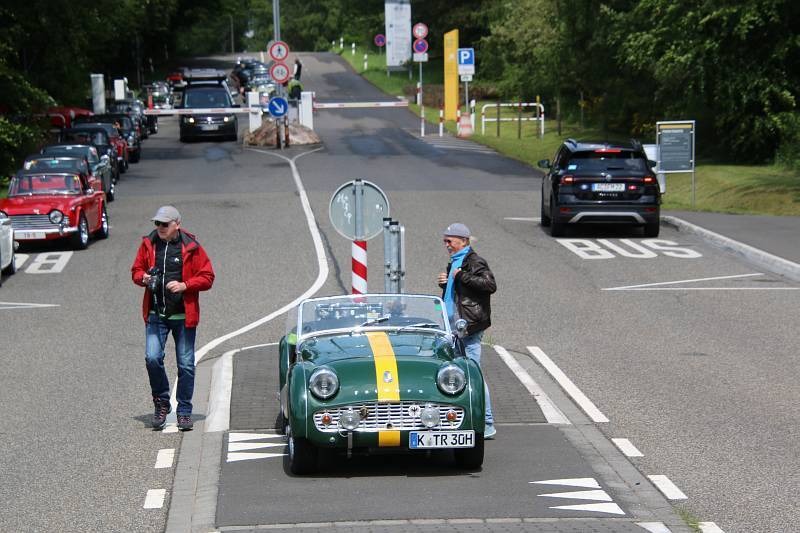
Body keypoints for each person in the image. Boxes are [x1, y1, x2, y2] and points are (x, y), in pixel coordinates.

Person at [131, 206, 214, 431]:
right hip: (155, 314)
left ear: (177, 224)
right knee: (152, 358)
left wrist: (185, 285)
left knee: (185, 365)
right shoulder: (148, 244)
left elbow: (208, 277)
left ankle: (184, 412)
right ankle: (162, 402)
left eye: (164, 224)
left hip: (183, 316)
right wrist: (143, 278)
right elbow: (136, 271)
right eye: (157, 223)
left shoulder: (192, 247)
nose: (160, 228)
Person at [437, 223, 498, 439]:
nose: (446, 244)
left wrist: (461, 276)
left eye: (450, 240)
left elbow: (489, 285)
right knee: (456, 373)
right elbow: (460, 294)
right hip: (453, 328)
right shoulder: (456, 261)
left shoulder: (474, 261)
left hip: (468, 328)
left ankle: (487, 423)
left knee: (473, 374)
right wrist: (446, 284)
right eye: (445, 241)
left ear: (463, 241)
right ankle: (458, 418)